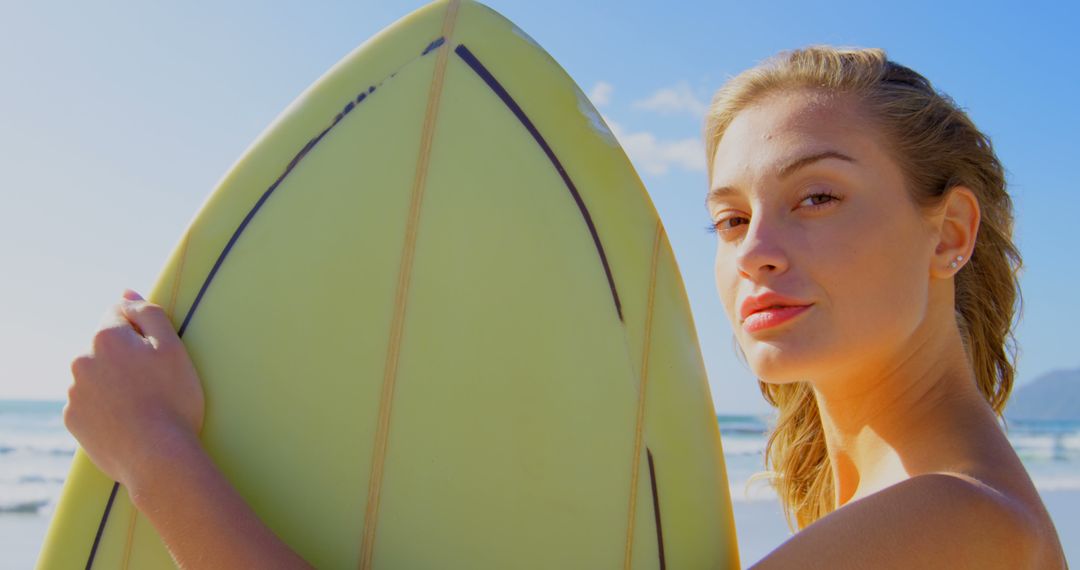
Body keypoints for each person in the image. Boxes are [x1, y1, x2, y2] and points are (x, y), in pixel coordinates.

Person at [64, 45, 1067, 568]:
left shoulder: (954, 521)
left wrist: (156, 450)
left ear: (949, 233)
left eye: (816, 198)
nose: (757, 252)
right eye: (727, 219)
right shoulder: (895, 512)